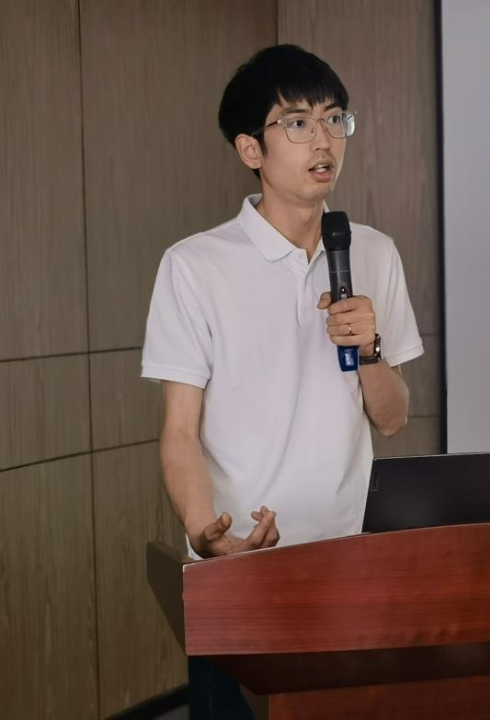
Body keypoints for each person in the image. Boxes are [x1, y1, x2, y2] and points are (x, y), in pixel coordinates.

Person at [141, 44, 424, 717]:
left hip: (348, 560)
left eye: (334, 119)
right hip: (240, 569)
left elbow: (392, 419)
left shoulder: (372, 251)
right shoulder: (195, 266)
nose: (323, 140)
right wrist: (204, 531)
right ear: (251, 149)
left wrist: (371, 349)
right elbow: (179, 432)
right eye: (297, 123)